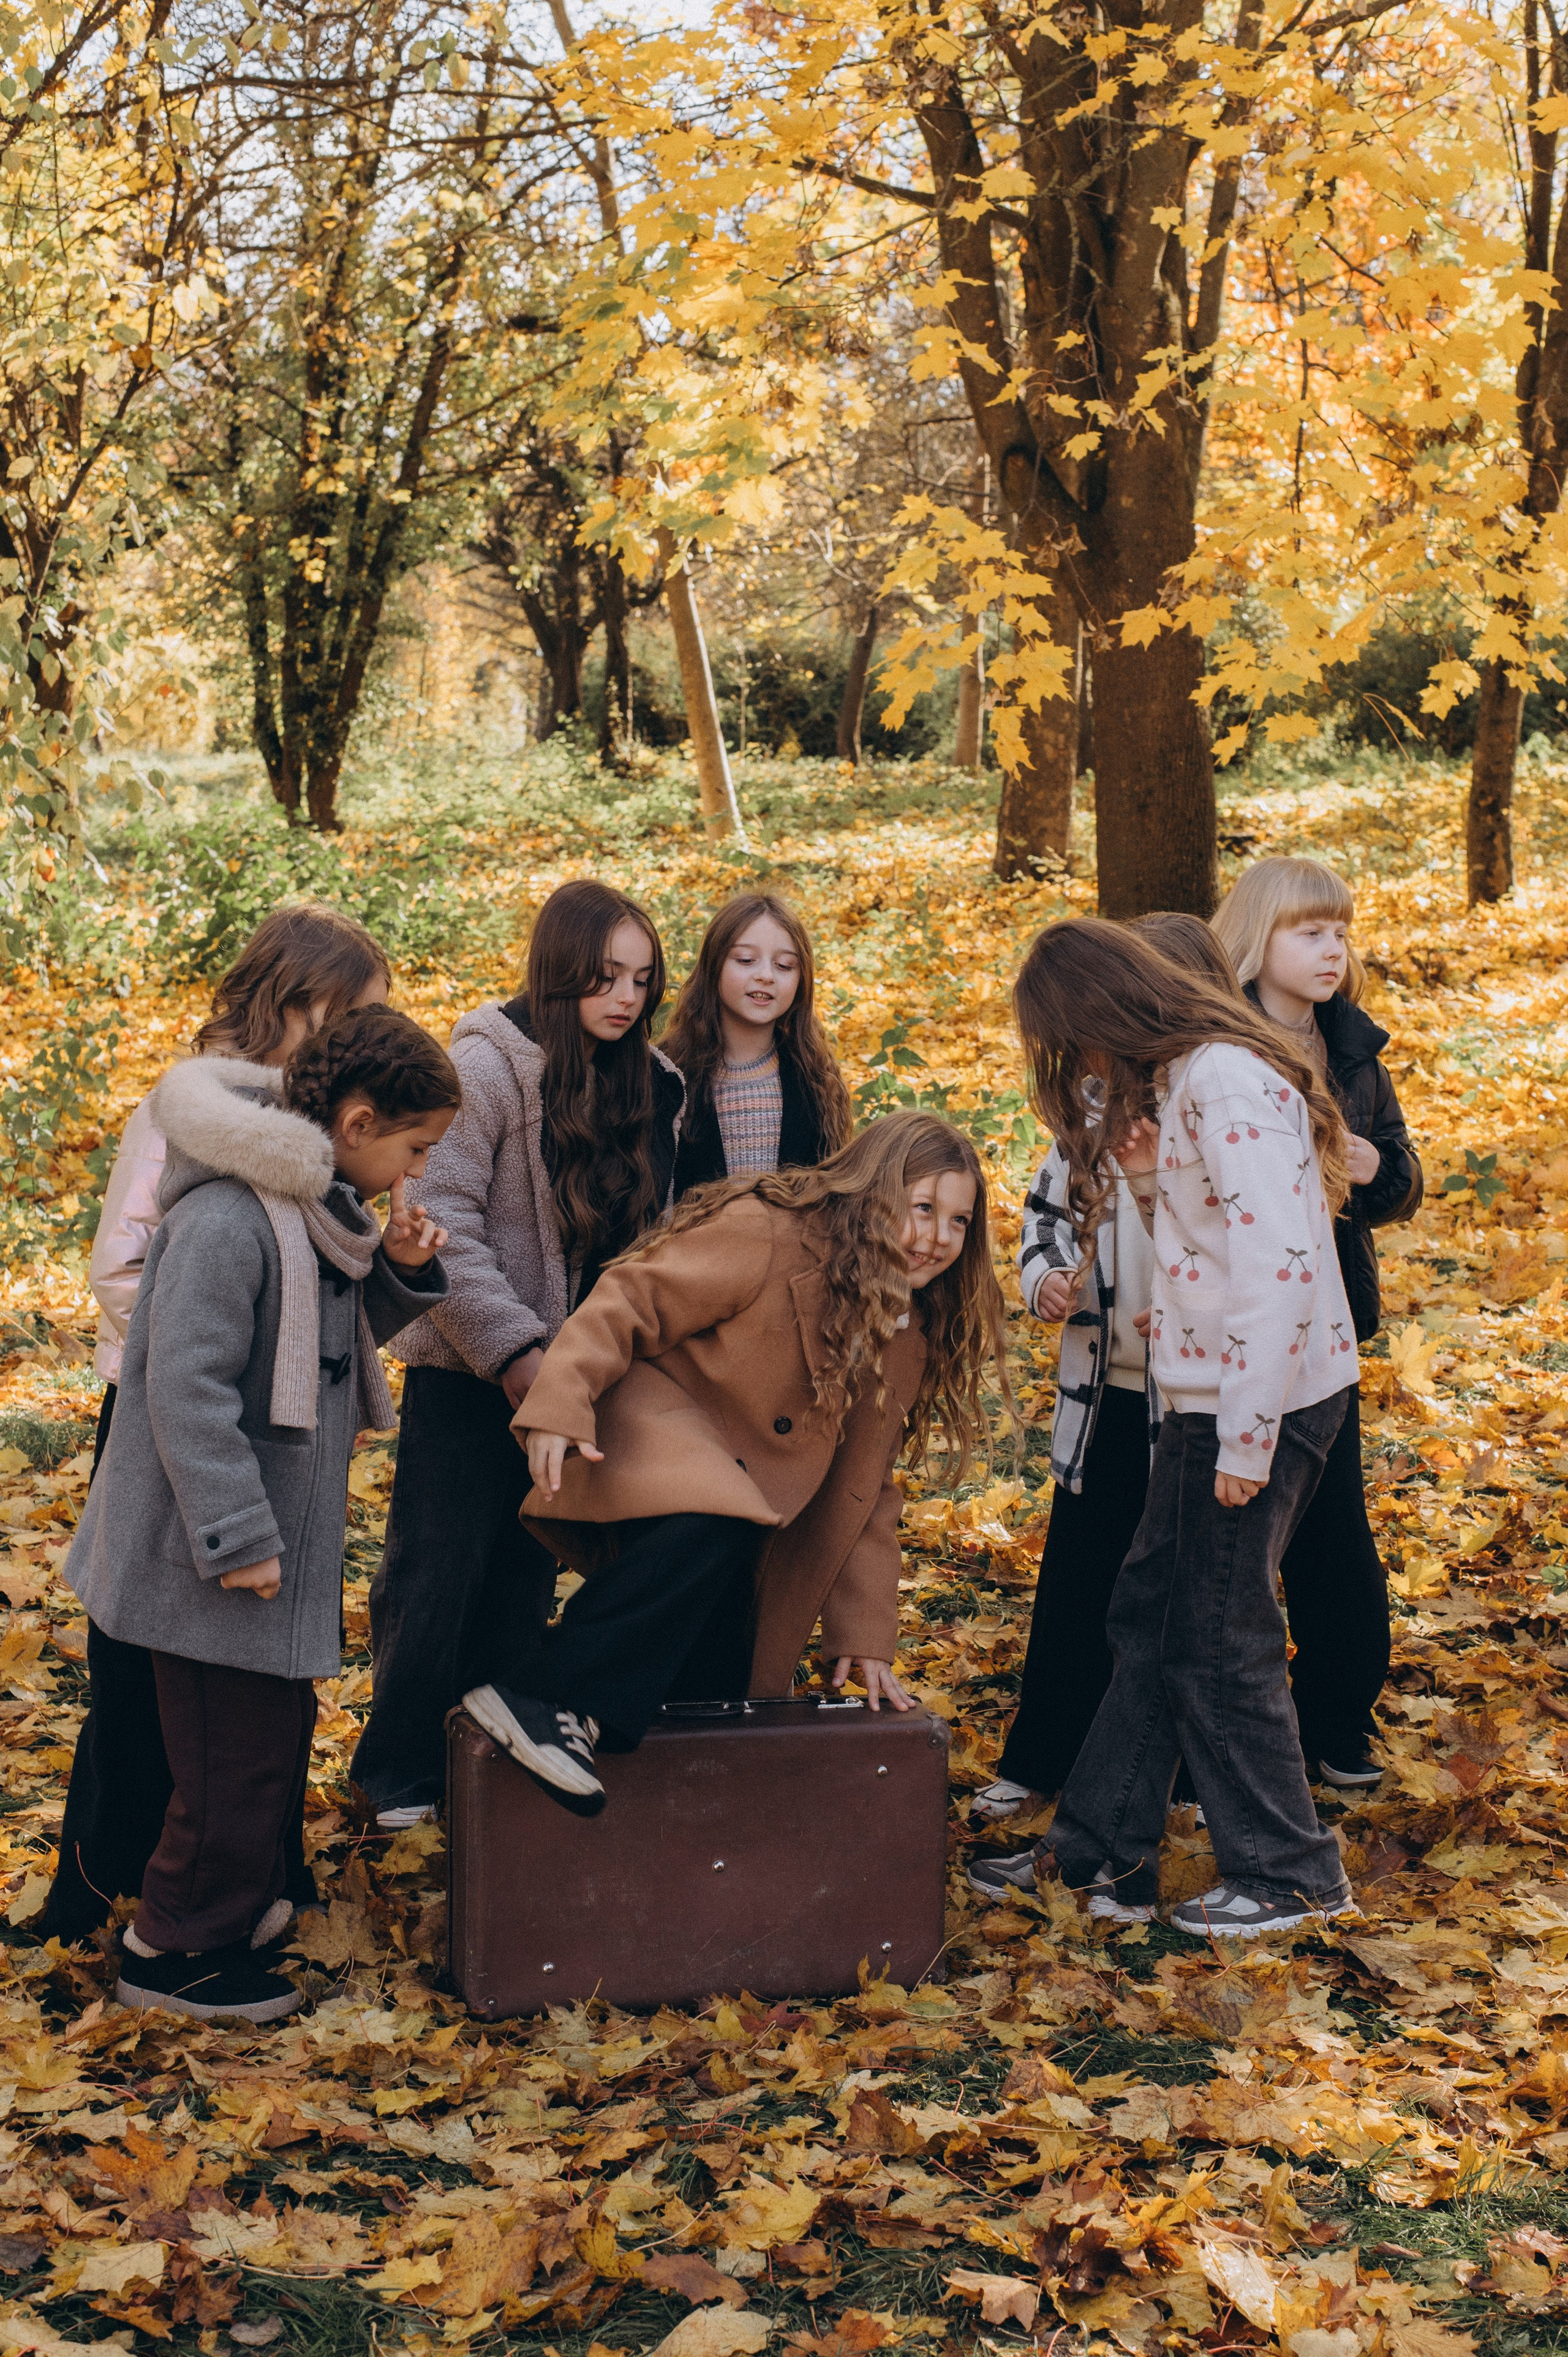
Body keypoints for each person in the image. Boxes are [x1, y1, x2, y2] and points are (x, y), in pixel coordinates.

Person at [65, 1005, 456, 2022]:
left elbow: (324, 1346)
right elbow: (182, 1389)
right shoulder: (229, 1220)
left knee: (270, 1737)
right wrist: (236, 1534)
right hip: (208, 1548)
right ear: (359, 1124)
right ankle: (175, 1949)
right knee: (227, 1759)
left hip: (265, 1540)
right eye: (415, 1147)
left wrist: (401, 1272)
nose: (416, 1170)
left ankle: (233, 1913)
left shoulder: (310, 1209)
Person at [969, 918, 1358, 1939]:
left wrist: (1247, 1438)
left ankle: (1291, 1873)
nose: (1078, 1063)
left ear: (1104, 1010)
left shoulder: (1223, 1079)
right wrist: (1145, 1181)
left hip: (1256, 1400)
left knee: (1217, 1638)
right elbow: (1212, 1242)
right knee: (1149, 1620)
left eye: (1072, 1038)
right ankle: (1099, 1851)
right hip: (1209, 1390)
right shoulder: (1187, 1082)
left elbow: (1280, 1265)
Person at [461, 1110, 1008, 1811]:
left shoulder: (905, 1330)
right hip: (657, 1428)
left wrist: (864, 1633)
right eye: (923, 1207)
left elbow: (864, 1489)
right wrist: (559, 1404)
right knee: (714, 1515)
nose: (937, 1237)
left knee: (717, 1673)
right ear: (873, 1188)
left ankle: (621, 1781)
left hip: (745, 1503)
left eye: (958, 1221)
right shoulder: (772, 1233)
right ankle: (542, 1695)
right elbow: (631, 1297)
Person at [42, 903, 391, 1944]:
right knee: (140, 1670)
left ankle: (249, 1875)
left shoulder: (323, 1117)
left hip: (281, 1431)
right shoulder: (187, 1106)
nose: (367, 1031)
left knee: (260, 1672)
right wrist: (224, 1348)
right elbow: (124, 1268)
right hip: (173, 1418)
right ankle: (103, 1883)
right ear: (298, 1000)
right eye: (356, 1012)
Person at [350, 880, 685, 1829]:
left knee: (523, 1578)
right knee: (437, 1575)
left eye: (642, 980)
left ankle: (487, 1777)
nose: (625, 998)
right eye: (605, 977)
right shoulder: (489, 1065)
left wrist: (586, 1370)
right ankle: (397, 1777)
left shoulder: (657, 1083)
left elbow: (656, 1239)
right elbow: (442, 1218)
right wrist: (514, 1351)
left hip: (578, 1382)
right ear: (559, 969)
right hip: (470, 1368)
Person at [973, 912, 1245, 1823]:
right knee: (1078, 1585)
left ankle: (1181, 1777)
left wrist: (1194, 1307)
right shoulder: (1088, 1115)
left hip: (1191, 1403)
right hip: (1102, 1398)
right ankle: (1041, 1756)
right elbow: (1043, 1218)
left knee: (1178, 1597)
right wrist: (1049, 1279)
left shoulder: (1213, 1109)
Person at [1213, 856, 1422, 1787]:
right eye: (1309, 931)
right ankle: (1223, 1731)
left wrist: (1377, 1167)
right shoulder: (1218, 1046)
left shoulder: (1353, 1048)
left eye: (1340, 931)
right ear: (1257, 939)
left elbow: (1402, 1176)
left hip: (1329, 1327)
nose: (1333, 949)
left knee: (1335, 1533)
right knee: (1237, 1536)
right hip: (1236, 1320)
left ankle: (1334, 1719)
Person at [664, 892, 851, 1194]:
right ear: (714, 966)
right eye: (746, 960)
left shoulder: (817, 1080)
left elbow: (833, 1196)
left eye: (784, 966)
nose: (766, 976)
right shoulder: (667, 1076)